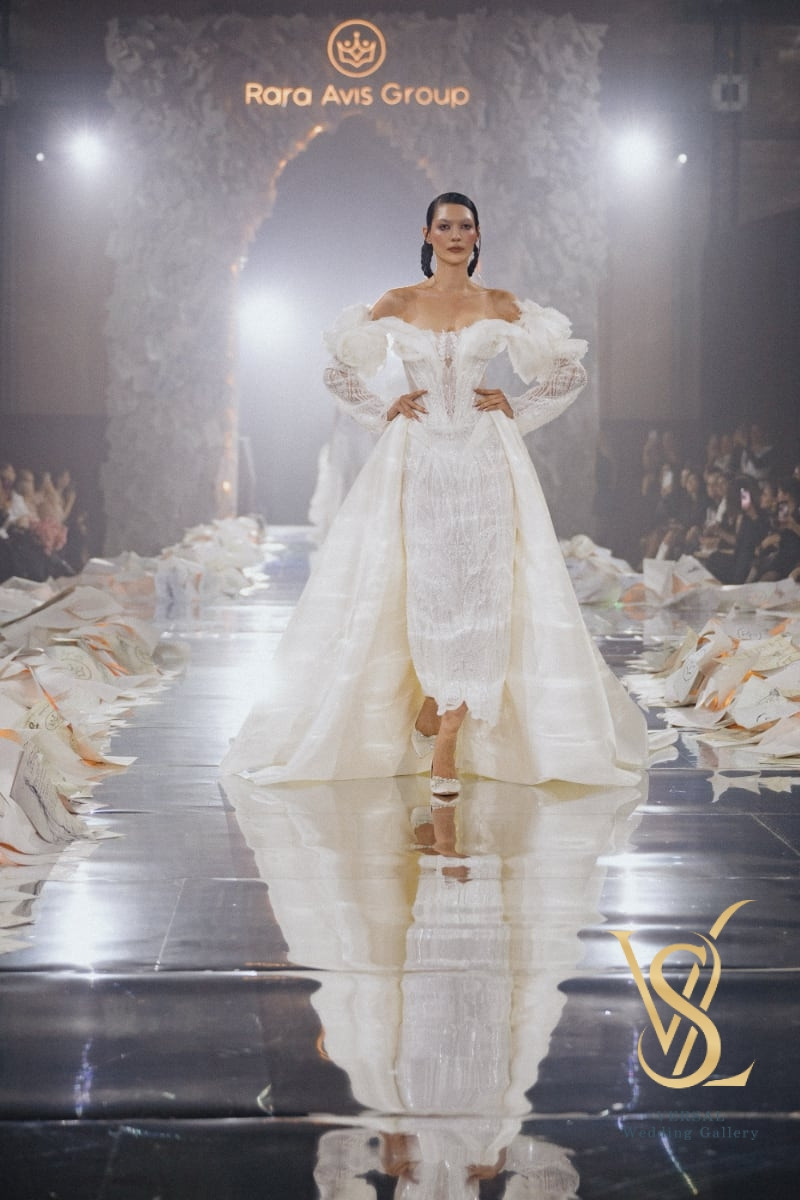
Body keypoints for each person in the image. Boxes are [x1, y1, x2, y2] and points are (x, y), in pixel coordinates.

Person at [222, 192, 646, 793]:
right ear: (427, 234)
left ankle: (447, 734)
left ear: (477, 235)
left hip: (484, 459)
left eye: (465, 226)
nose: (454, 234)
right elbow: (338, 370)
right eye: (444, 225)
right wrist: (383, 409)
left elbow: (568, 370)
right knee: (429, 585)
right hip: (420, 459)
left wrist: (517, 408)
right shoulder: (398, 301)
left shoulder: (498, 303)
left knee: (485, 588)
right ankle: (435, 696)